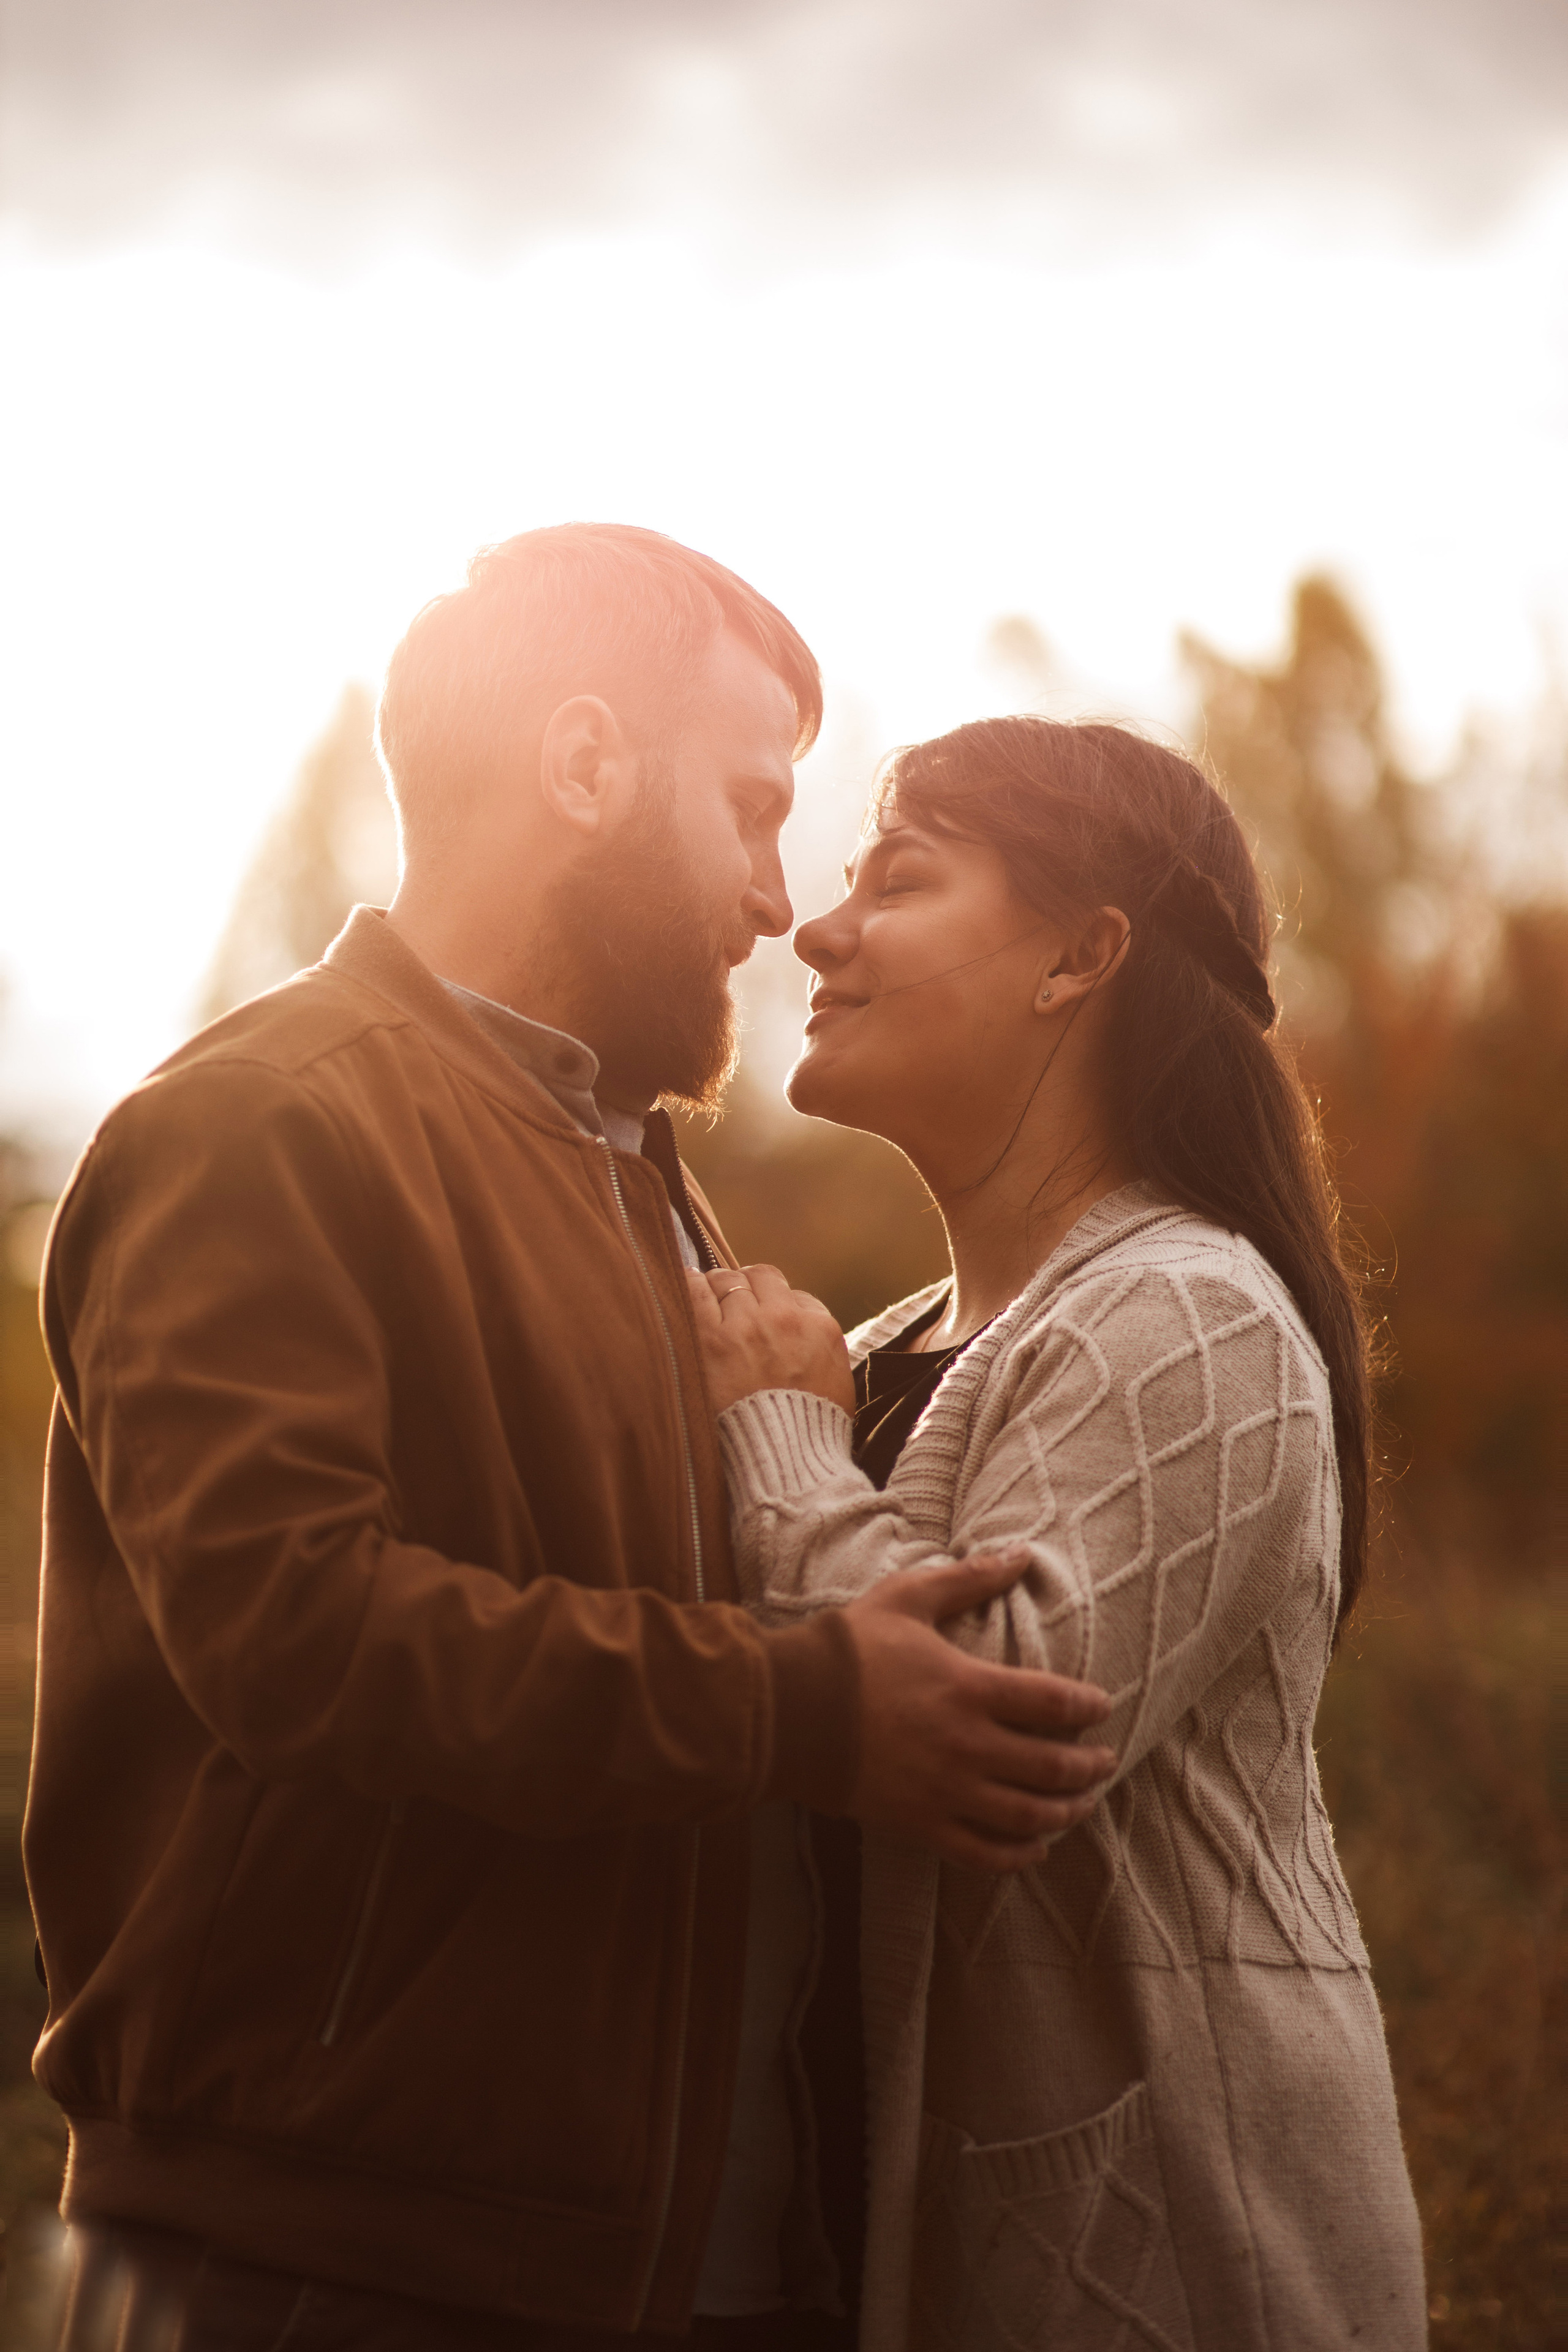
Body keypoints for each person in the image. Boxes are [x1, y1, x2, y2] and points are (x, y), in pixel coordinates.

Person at [27, 531, 1118, 2352]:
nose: (780, 900)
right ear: (588, 765)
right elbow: (293, 1636)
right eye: (753, 808)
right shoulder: (260, 1129)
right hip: (333, 2275)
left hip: (689, 2266)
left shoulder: (644, 1188)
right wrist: (808, 1707)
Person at [685, 716, 1430, 2351]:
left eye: (904, 876)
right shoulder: (882, 1351)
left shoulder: (1189, 1314)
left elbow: (992, 1731)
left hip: (1176, 2278)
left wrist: (781, 1436)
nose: (818, 923)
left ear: (1081, 957)